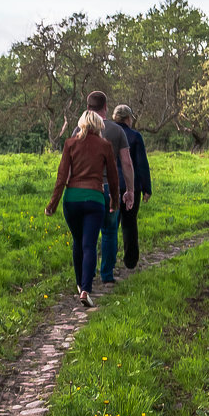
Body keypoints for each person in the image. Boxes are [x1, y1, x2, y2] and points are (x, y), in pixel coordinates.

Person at [46, 110, 120, 307]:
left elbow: (62, 177)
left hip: (72, 200)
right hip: (95, 200)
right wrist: (114, 202)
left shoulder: (70, 144)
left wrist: (52, 205)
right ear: (99, 126)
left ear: (81, 124)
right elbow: (113, 178)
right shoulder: (105, 145)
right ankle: (85, 289)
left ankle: (80, 284)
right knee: (89, 244)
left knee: (78, 242)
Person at [85, 91, 133, 284]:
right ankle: (107, 274)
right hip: (110, 189)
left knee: (89, 234)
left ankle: (87, 274)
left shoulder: (78, 130)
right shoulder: (116, 131)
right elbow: (127, 163)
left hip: (88, 189)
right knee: (110, 231)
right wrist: (130, 190)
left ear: (88, 108)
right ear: (106, 107)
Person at [111, 104, 151, 269]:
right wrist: (147, 188)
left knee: (111, 226)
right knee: (129, 224)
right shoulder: (135, 136)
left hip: (111, 184)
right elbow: (141, 164)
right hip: (131, 186)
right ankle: (130, 261)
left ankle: (109, 263)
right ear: (128, 118)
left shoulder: (108, 134)